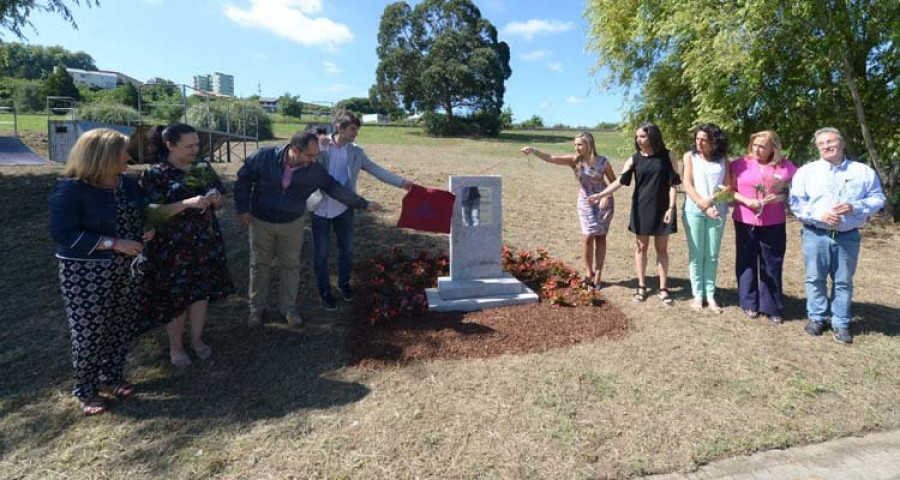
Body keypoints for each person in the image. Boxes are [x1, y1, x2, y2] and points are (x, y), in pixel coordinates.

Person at [234, 131, 382, 328]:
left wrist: (362, 203)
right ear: (294, 149)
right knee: (259, 265)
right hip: (261, 221)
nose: (314, 160)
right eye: (309, 155)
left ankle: (288, 308)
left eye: (316, 155)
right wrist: (243, 209)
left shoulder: (315, 169)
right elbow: (243, 179)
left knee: (291, 266)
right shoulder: (265, 156)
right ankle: (256, 309)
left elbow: (335, 188)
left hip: (293, 223)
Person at [49, 128, 150, 415]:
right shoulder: (72, 188)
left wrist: (147, 229)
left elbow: (141, 215)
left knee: (121, 325)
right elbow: (62, 232)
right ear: (102, 156)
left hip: (126, 268)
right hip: (85, 272)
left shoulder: (127, 184)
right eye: (122, 153)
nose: (128, 158)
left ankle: (112, 376)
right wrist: (114, 243)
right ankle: (85, 389)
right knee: (90, 331)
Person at [138, 124, 235, 367]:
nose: (196, 149)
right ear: (170, 145)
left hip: (204, 243)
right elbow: (150, 215)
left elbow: (221, 198)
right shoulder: (154, 174)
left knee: (200, 294)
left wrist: (215, 199)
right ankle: (176, 347)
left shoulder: (202, 167)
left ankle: (197, 340)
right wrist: (186, 203)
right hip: (171, 249)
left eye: (197, 145)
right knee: (176, 299)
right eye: (189, 146)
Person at [311, 111, 416, 310]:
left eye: (356, 130)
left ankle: (343, 284)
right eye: (352, 129)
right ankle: (324, 291)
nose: (355, 134)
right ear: (339, 127)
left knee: (347, 250)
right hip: (319, 208)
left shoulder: (356, 152)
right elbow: (303, 155)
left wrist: (402, 183)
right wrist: (317, 145)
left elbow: (376, 170)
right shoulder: (321, 145)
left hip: (345, 208)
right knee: (321, 254)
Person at [789, 127, 885, 344]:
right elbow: (796, 202)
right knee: (815, 278)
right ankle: (817, 317)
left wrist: (855, 207)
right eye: (821, 144)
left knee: (843, 281)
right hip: (816, 234)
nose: (826, 146)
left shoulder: (862, 172)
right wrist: (818, 215)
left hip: (847, 236)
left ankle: (840, 322)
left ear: (842, 144)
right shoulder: (807, 172)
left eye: (831, 142)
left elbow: (878, 199)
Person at [590, 122, 681, 305]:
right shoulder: (634, 159)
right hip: (641, 208)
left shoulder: (668, 156)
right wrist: (601, 194)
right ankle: (641, 286)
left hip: (664, 209)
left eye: (642, 136)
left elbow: (673, 185)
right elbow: (620, 182)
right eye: (637, 136)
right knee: (641, 248)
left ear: (653, 136)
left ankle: (663, 288)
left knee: (662, 249)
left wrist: (671, 208)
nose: (638, 140)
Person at [520, 131, 616, 288]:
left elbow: (614, 181)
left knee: (601, 238)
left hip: (603, 203)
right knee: (587, 237)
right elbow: (551, 158)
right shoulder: (575, 161)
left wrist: (606, 195)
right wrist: (534, 150)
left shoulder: (603, 162)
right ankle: (588, 272)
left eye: (580, 144)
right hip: (585, 202)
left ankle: (598, 273)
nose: (576, 147)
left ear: (589, 145)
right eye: (575, 144)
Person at [731, 131, 797, 324]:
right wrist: (747, 201)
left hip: (774, 222)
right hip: (745, 219)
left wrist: (780, 198)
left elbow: (795, 190)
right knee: (746, 261)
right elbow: (729, 190)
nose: (757, 149)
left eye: (762, 146)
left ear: (773, 148)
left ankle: (772, 306)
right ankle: (749, 302)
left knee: (772, 263)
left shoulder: (786, 166)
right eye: (755, 145)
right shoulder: (739, 164)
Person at [681, 124, 732, 313]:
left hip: (717, 211)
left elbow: (728, 186)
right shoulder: (690, 157)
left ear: (714, 141)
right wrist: (702, 204)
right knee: (696, 255)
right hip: (693, 210)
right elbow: (687, 184)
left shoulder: (723, 159)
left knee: (711, 255)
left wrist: (710, 201)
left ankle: (710, 295)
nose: (699, 143)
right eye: (697, 139)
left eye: (704, 139)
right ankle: (697, 295)